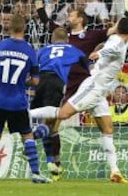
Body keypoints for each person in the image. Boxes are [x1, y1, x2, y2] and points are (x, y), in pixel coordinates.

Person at [29, 17, 128, 184]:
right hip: (92, 87)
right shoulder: (117, 43)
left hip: (100, 92)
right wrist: (99, 53)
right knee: (62, 114)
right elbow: (110, 49)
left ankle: (115, 171)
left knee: (108, 129)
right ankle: (24, 115)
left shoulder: (119, 39)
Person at [0, 13, 51, 183]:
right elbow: (35, 80)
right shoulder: (29, 50)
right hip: (18, 100)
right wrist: (23, 80)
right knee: (27, 135)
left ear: (9, 28)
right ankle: (35, 173)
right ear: (25, 28)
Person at [30, 27, 88, 179]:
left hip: (40, 82)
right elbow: (85, 63)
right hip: (56, 82)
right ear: (67, 39)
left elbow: (33, 65)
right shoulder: (72, 49)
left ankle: (54, 162)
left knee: (48, 124)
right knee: (50, 123)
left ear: (52, 39)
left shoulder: (43, 49)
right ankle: (31, 140)